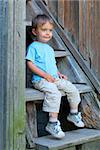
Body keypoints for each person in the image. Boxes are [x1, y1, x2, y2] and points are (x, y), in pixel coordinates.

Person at [26, 14, 84, 139]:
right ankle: (52, 122)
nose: (48, 33)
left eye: (50, 30)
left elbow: (51, 64)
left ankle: (73, 113)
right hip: (40, 80)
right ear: (35, 31)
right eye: (44, 30)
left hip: (53, 78)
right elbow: (30, 64)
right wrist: (45, 75)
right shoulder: (33, 47)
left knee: (71, 88)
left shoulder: (49, 48)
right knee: (54, 93)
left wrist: (58, 73)